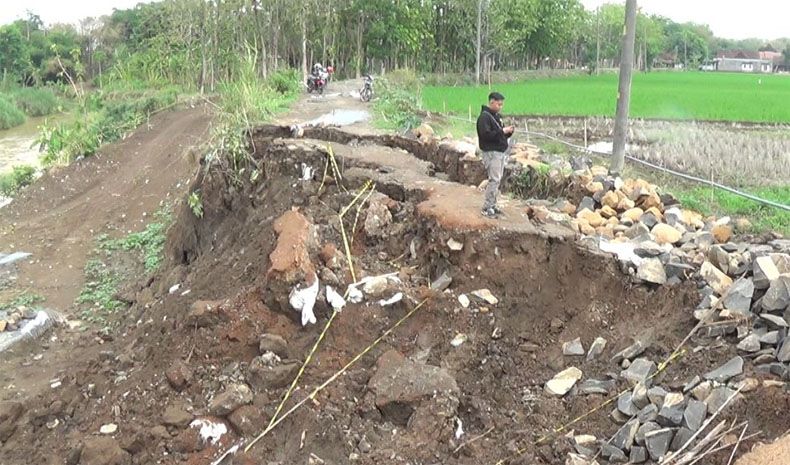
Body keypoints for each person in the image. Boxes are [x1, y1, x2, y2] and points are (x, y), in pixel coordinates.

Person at [476, 92, 514, 218]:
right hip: (491, 153)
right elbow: (486, 135)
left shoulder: (496, 117)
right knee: (494, 179)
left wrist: (508, 133)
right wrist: (502, 131)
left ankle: (492, 205)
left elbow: (499, 134)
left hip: (499, 152)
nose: (500, 107)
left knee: (497, 179)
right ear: (491, 102)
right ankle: (487, 207)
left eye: (501, 105)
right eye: (499, 104)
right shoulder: (484, 118)